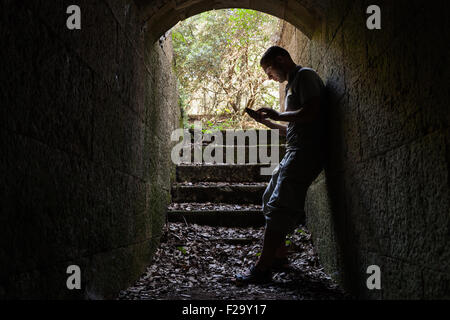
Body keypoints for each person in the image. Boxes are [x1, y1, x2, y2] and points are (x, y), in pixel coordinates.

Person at [235, 46, 326, 284]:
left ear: (280, 59)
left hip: (307, 152)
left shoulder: (305, 75)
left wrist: (277, 114)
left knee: (279, 205)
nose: (269, 76)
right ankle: (280, 257)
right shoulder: (291, 85)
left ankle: (262, 269)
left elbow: (312, 112)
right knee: (268, 198)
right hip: (294, 149)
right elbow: (293, 127)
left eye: (269, 70)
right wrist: (268, 122)